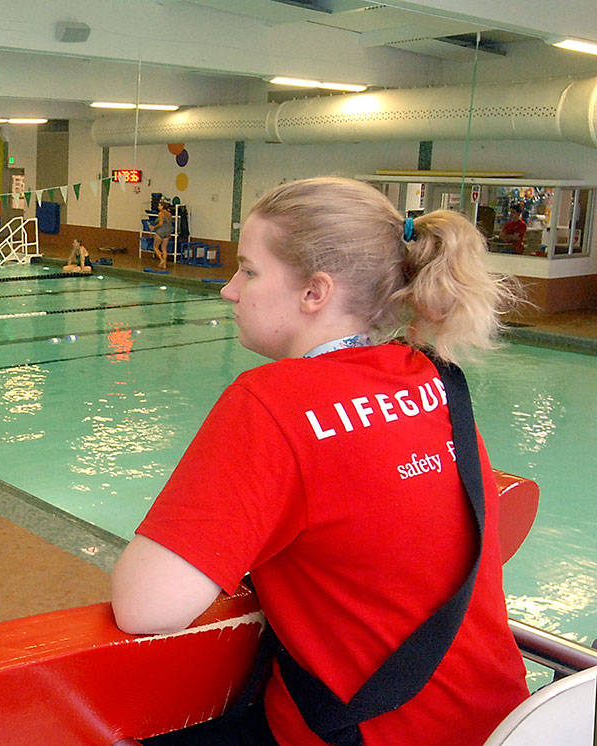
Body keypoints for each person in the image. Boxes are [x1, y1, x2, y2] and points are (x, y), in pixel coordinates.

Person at [112, 177, 526, 746]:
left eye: (249, 271)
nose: (230, 290)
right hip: (507, 722)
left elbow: (146, 607)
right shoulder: (435, 376)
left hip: (369, 733)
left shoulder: (271, 401)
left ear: (315, 292)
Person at [151, 201, 175, 269]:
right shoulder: (169, 214)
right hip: (168, 231)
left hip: (161, 231)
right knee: (164, 248)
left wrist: (154, 227)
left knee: (155, 248)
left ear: (162, 206)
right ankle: (164, 264)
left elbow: (161, 223)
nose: (158, 207)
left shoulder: (161, 213)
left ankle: (161, 260)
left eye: (159, 206)